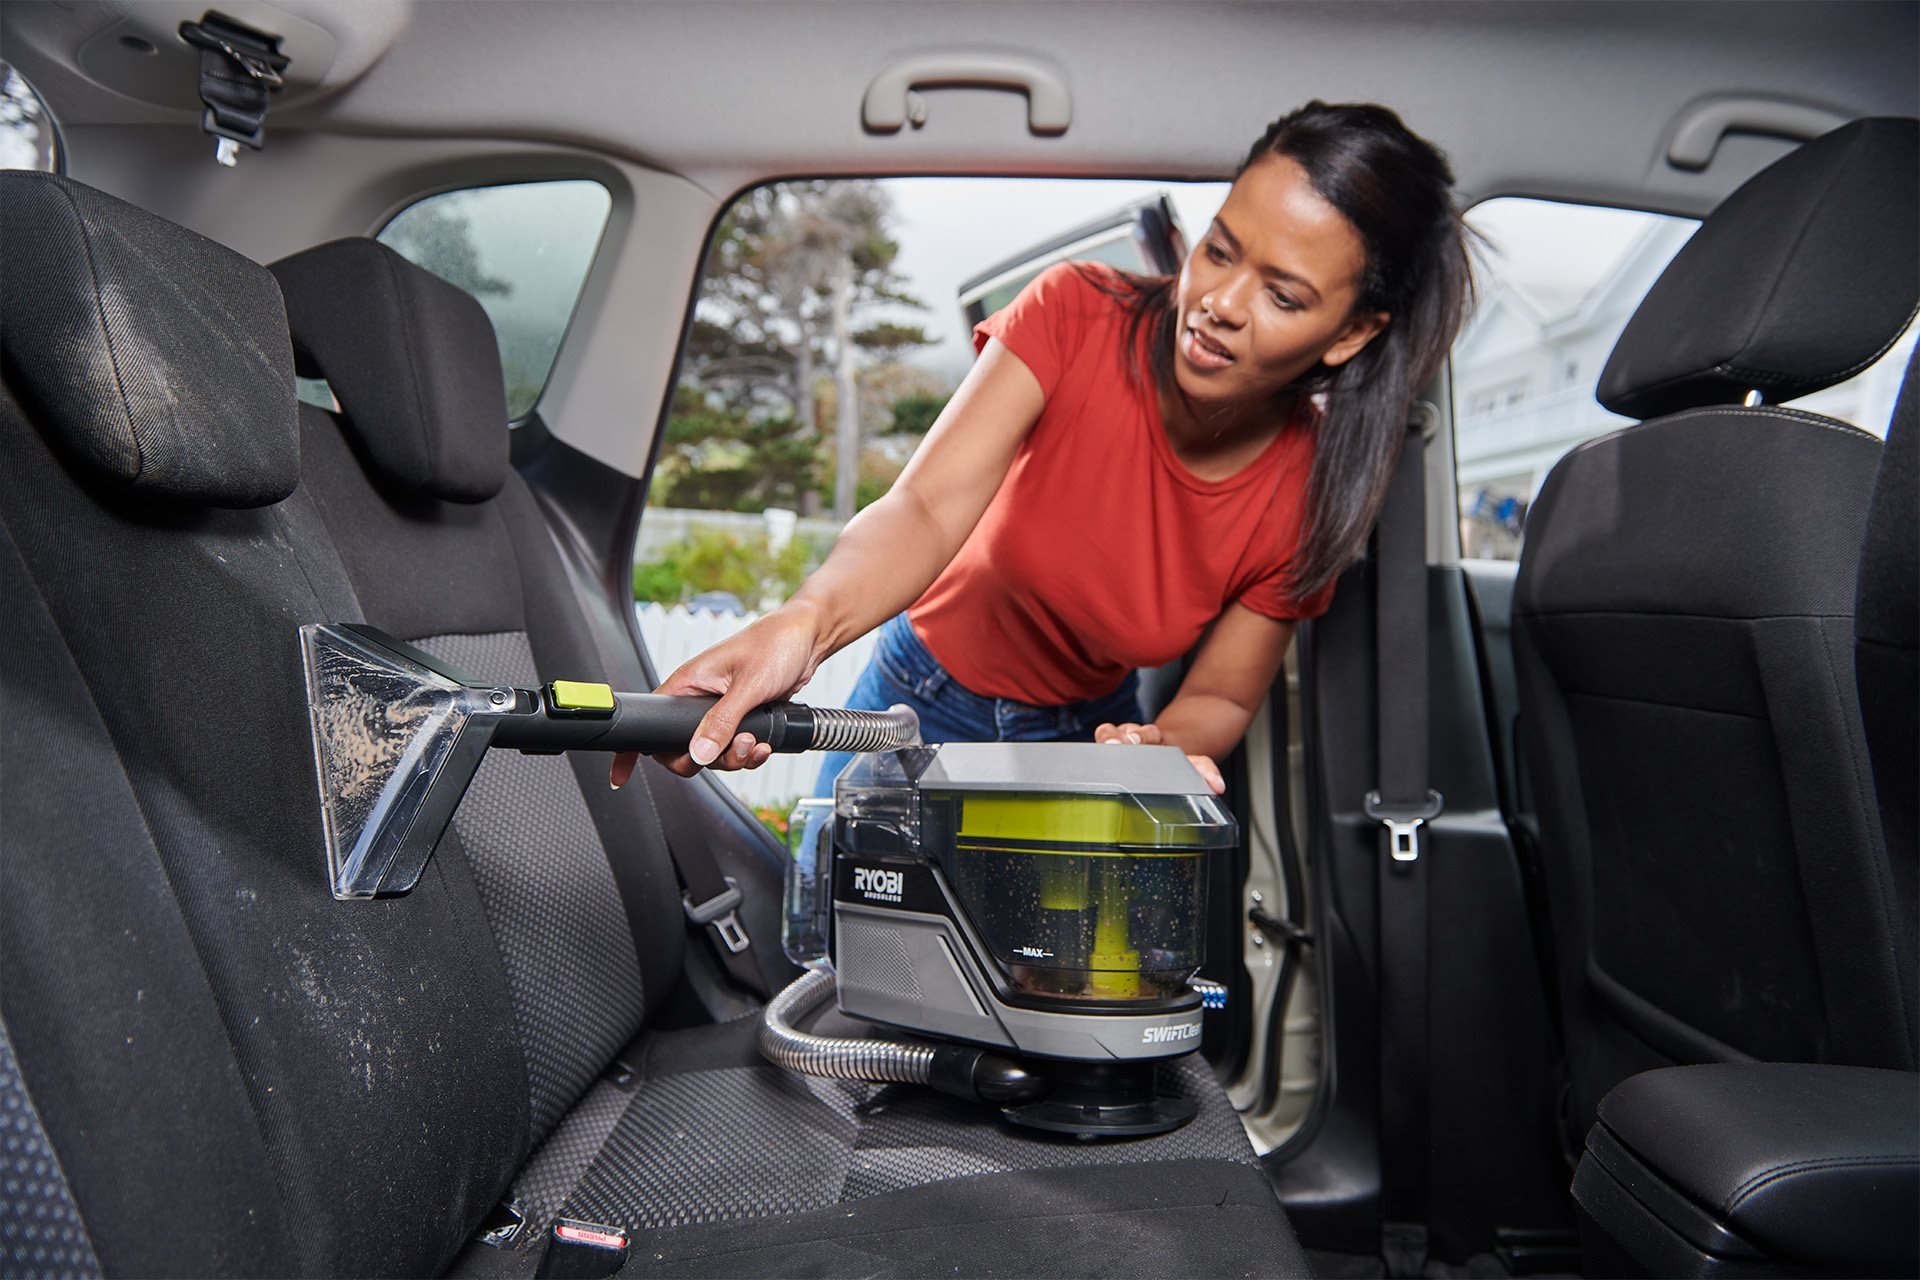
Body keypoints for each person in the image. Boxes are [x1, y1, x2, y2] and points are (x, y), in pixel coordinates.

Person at [612, 101, 1473, 795]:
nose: (1218, 302)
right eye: (1218, 250)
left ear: (1352, 332)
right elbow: (925, 505)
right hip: (920, 696)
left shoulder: (1306, 492)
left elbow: (1217, 695)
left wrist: (1151, 751)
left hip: (1086, 735)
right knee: (847, 965)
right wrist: (803, 624)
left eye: (1282, 295)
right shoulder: (1073, 311)